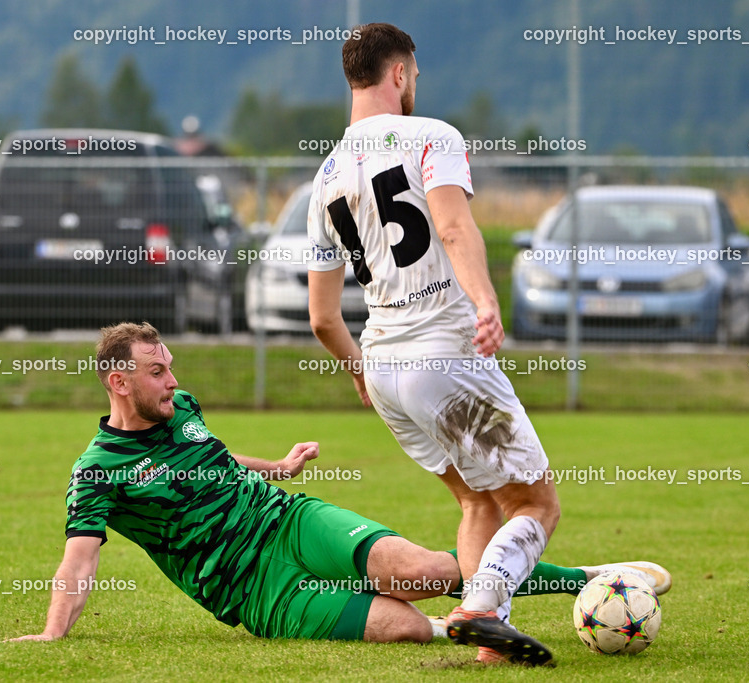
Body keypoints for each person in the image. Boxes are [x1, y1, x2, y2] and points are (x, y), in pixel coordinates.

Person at [9, 322, 669, 650]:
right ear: (119, 382)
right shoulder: (97, 471)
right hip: (255, 589)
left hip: (286, 519)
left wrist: (279, 468)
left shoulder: (182, 409)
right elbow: (79, 557)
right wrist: (51, 634)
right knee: (403, 627)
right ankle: (463, 631)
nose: (172, 381)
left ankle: (588, 576)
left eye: (170, 366)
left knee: (424, 568)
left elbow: (210, 457)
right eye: (157, 372)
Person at [307, 23, 572, 665]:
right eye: (415, 76)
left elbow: (321, 316)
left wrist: (358, 373)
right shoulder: (433, 137)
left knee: (478, 499)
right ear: (400, 74)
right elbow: (453, 227)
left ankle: (491, 647)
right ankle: (480, 606)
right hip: (444, 355)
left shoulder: (325, 173)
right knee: (534, 503)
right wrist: (485, 301)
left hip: (386, 367)